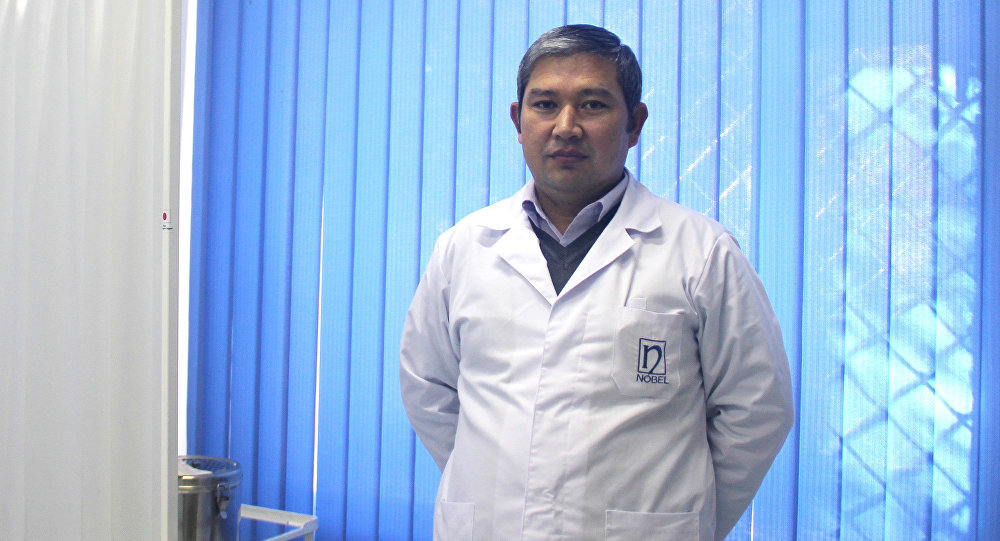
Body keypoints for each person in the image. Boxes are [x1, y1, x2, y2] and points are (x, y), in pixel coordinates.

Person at [400, 24, 794, 541]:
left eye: (592, 105)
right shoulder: (464, 247)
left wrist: (683, 520)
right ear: (518, 120)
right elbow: (428, 389)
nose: (566, 126)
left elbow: (757, 410)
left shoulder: (702, 252)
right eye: (545, 104)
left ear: (635, 124)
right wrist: (499, 482)